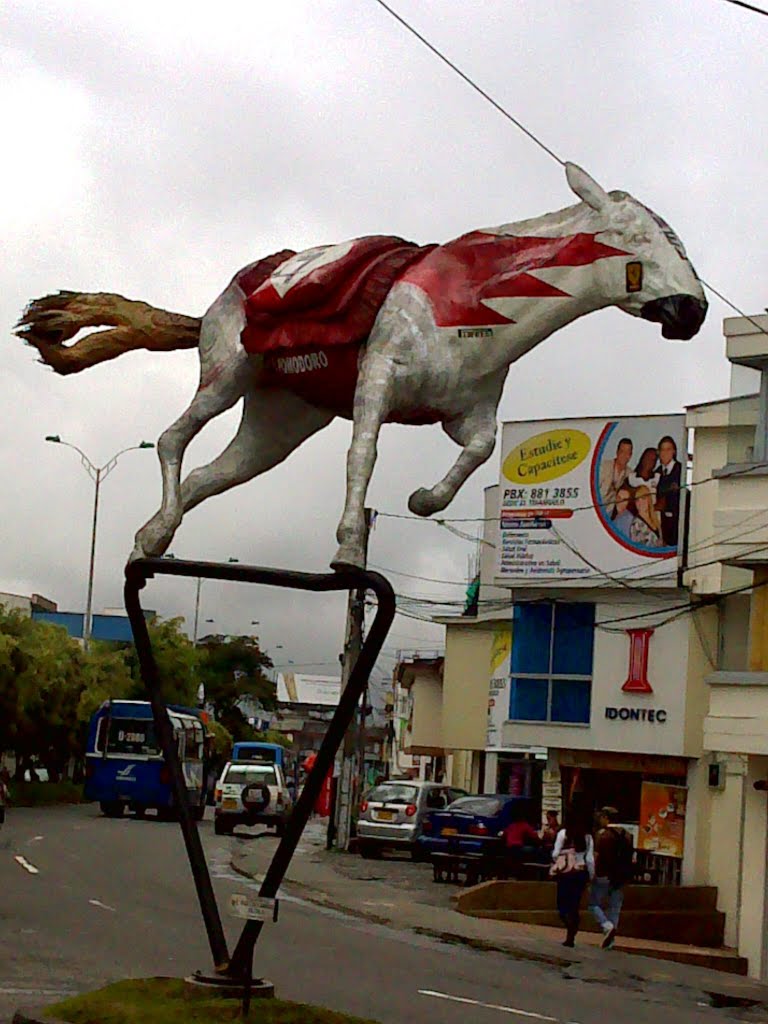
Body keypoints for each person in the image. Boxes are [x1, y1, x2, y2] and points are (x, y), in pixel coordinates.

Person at [589, 806, 634, 948]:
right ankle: (610, 940)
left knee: (593, 904)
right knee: (615, 908)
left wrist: (592, 873)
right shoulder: (627, 835)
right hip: (620, 876)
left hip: (604, 874)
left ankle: (606, 925)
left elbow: (596, 856)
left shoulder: (603, 835)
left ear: (606, 818)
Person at [551, 812, 595, 947]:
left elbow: (555, 853)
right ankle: (572, 932)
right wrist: (591, 875)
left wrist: (560, 861)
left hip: (565, 873)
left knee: (562, 903)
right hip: (580, 873)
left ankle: (569, 924)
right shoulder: (587, 837)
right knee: (574, 904)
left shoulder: (563, 833)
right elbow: (589, 859)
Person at [655, 435, 682, 547]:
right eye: (662, 450)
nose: (665, 453)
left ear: (674, 452)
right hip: (661, 523)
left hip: (677, 522)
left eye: (668, 449)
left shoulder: (681, 470)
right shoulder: (656, 473)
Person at [503, 806, 542, 876]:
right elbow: (534, 836)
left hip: (508, 848)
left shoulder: (511, 826)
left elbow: (504, 834)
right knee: (537, 851)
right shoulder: (524, 825)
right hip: (518, 848)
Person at [599, 438, 633, 514]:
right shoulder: (604, 466)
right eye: (622, 452)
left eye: (628, 453)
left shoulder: (630, 474)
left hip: (613, 513)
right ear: (617, 452)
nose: (624, 455)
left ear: (630, 455)